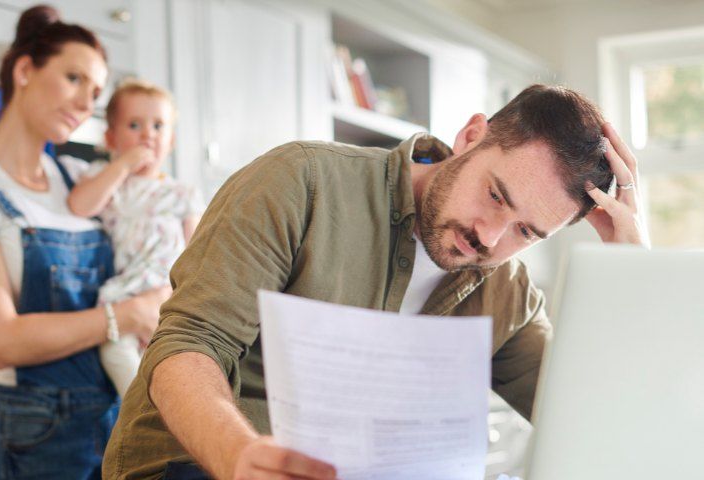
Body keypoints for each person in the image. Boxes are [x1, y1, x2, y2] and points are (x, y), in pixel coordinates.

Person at [104, 84, 648, 480]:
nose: (489, 237)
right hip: (200, 463)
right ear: (471, 136)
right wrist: (238, 457)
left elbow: (592, 420)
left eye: (526, 231)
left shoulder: (508, 293)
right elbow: (188, 343)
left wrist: (632, 270)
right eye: (496, 195)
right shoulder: (302, 182)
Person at [0, 5, 168, 478]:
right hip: (41, 438)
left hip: (121, 418)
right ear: (24, 71)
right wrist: (127, 315)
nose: (85, 103)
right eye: (74, 78)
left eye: (96, 92)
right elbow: (1, 342)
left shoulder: (82, 182)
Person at [67, 79, 204, 397]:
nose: (148, 134)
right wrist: (123, 165)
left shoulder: (181, 193)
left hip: (166, 298)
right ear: (110, 137)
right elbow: (79, 205)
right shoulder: (104, 179)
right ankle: (140, 413)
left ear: (170, 141)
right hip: (123, 298)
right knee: (116, 354)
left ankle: (169, 414)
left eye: (159, 126)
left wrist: (177, 305)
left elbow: (197, 256)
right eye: (134, 125)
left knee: (177, 367)